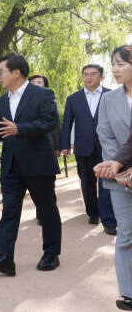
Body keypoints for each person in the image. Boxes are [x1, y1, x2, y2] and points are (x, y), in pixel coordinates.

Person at [0, 53, 62, 276]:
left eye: (1, 72)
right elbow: (0, 131)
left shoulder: (43, 94)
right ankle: (5, 257)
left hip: (39, 163)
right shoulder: (1, 101)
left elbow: (50, 122)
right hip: (11, 165)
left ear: (16, 72)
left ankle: (51, 253)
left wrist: (20, 129)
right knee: (9, 211)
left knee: (46, 209)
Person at [94, 45, 132, 310]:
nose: (115, 69)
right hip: (118, 178)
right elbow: (105, 135)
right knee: (127, 234)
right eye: (113, 64)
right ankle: (129, 291)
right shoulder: (108, 99)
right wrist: (118, 167)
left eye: (121, 64)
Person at [61, 64, 116, 234]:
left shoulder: (112, 95)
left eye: (93, 74)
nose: (89, 77)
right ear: (82, 77)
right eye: (86, 74)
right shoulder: (73, 99)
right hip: (83, 146)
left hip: (107, 146)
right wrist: (64, 145)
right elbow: (67, 124)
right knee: (87, 181)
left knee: (107, 181)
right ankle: (92, 212)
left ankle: (108, 220)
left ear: (102, 77)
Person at [28, 74, 61, 226]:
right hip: (30, 148)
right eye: (33, 82)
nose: (36, 84)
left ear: (45, 84)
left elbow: (55, 127)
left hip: (48, 147)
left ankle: (48, 213)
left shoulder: (49, 100)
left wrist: (58, 146)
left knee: (48, 183)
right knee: (35, 184)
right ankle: (40, 213)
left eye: (39, 82)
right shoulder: (24, 102)